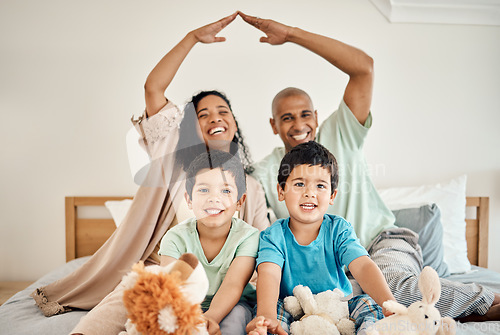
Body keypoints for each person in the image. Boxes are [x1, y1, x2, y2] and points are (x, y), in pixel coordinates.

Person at [241, 12, 500, 321]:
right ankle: (469, 314)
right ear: (273, 125)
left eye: (305, 114)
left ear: (316, 115)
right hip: (332, 269)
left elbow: (363, 68)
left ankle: (488, 298)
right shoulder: (264, 172)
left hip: (380, 242)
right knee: (344, 302)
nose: (299, 124)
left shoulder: (340, 132)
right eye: (287, 118)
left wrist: (291, 34)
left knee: (384, 283)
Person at [31, 13, 270, 334]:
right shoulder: (174, 163)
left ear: (234, 123)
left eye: (222, 111)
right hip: (167, 269)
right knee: (129, 293)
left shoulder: (250, 187)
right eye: (203, 114)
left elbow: (259, 245)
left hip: (228, 280)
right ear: (191, 127)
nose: (215, 117)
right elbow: (153, 88)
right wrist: (192, 38)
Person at [246, 141, 395, 335]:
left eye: (320, 186)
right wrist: (267, 317)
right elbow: (269, 274)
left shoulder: (338, 229)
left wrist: (389, 303)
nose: (309, 193)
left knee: (369, 304)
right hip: (292, 306)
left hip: (337, 305)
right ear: (281, 191)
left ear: (332, 195)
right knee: (267, 313)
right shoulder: (273, 235)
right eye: (299, 184)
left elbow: (363, 266)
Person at [160, 150, 259, 335]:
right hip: (186, 307)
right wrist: (192, 318)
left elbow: (234, 284)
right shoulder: (174, 238)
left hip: (234, 304)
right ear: (189, 199)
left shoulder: (249, 237)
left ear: (240, 201)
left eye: (226, 191)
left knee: (236, 316)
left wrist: (211, 316)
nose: (214, 198)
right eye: (204, 190)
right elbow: (171, 288)